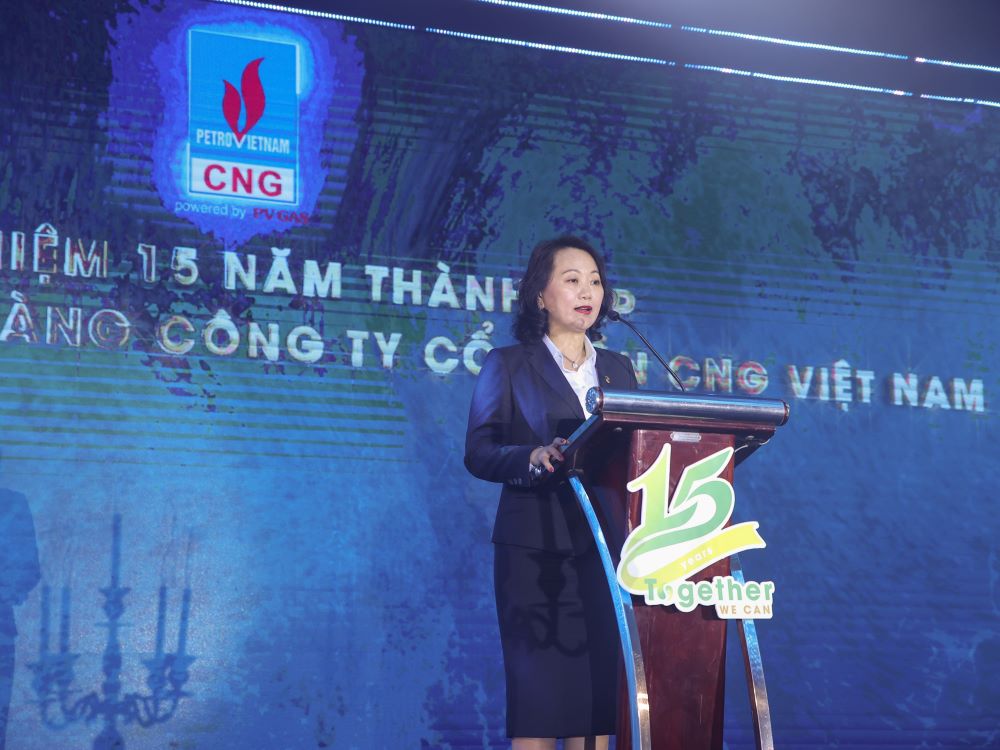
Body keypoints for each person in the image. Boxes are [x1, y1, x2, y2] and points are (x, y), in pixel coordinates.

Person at [465, 236, 638, 750]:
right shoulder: (507, 364)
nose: (588, 292)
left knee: (597, 705)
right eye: (572, 280)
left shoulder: (619, 370)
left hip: (606, 553)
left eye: (595, 282)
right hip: (534, 554)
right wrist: (532, 456)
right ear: (540, 295)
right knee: (540, 704)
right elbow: (479, 451)